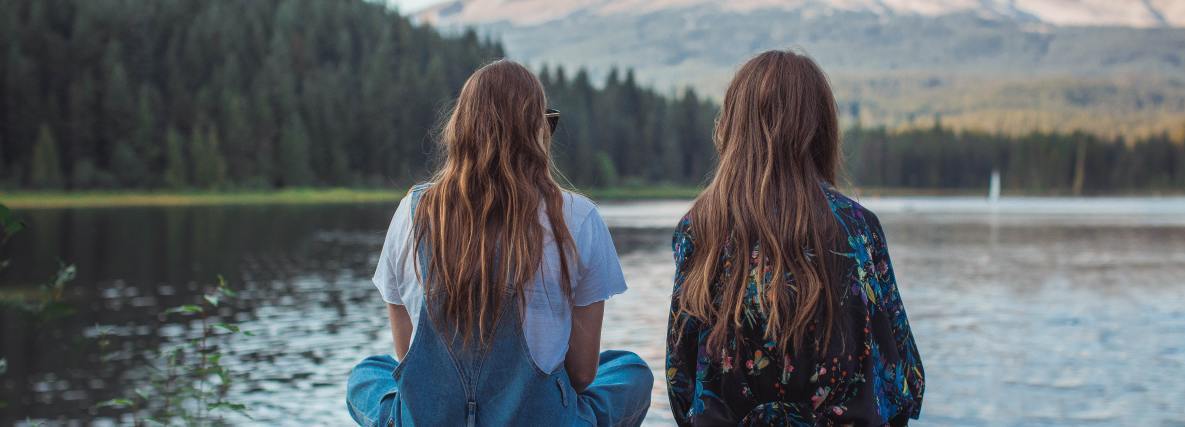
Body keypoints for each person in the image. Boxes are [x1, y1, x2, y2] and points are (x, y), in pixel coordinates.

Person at [347, 59, 653, 427]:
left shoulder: (413, 212)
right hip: (537, 419)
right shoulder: (579, 217)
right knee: (630, 371)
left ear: (460, 129)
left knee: (367, 374)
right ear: (536, 133)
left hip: (431, 418)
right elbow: (582, 375)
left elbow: (406, 357)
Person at [665, 50, 925, 426]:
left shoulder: (699, 227)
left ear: (734, 125)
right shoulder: (857, 227)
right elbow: (903, 378)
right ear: (820, 128)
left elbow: (680, 379)